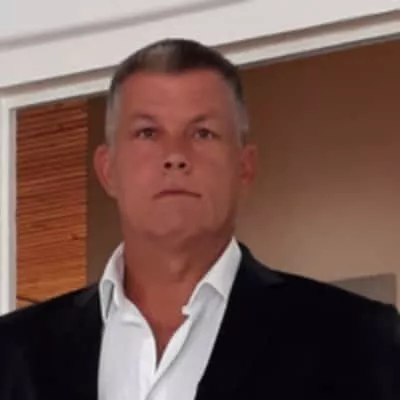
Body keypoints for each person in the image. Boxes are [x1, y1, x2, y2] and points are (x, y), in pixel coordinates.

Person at [0, 38, 399, 400]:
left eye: (203, 133)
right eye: (147, 133)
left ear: (244, 167)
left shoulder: (358, 339)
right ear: (108, 170)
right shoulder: (13, 351)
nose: (175, 155)